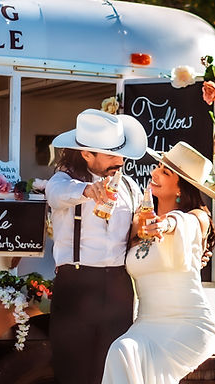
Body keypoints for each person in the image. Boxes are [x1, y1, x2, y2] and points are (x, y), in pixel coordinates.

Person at [101, 141, 215, 384]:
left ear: (181, 189)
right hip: (146, 323)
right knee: (120, 350)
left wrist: (167, 223)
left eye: (165, 172)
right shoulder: (140, 220)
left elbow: (183, 223)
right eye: (157, 166)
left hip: (187, 323)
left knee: (125, 353)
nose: (154, 173)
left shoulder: (196, 218)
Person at [46, 108, 148, 384]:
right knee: (74, 372)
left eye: (121, 153)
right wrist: (87, 191)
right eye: (111, 155)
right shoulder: (63, 180)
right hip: (76, 284)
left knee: (113, 371)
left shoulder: (130, 187)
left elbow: (139, 229)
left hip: (118, 286)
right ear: (86, 154)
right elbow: (55, 195)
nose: (120, 161)